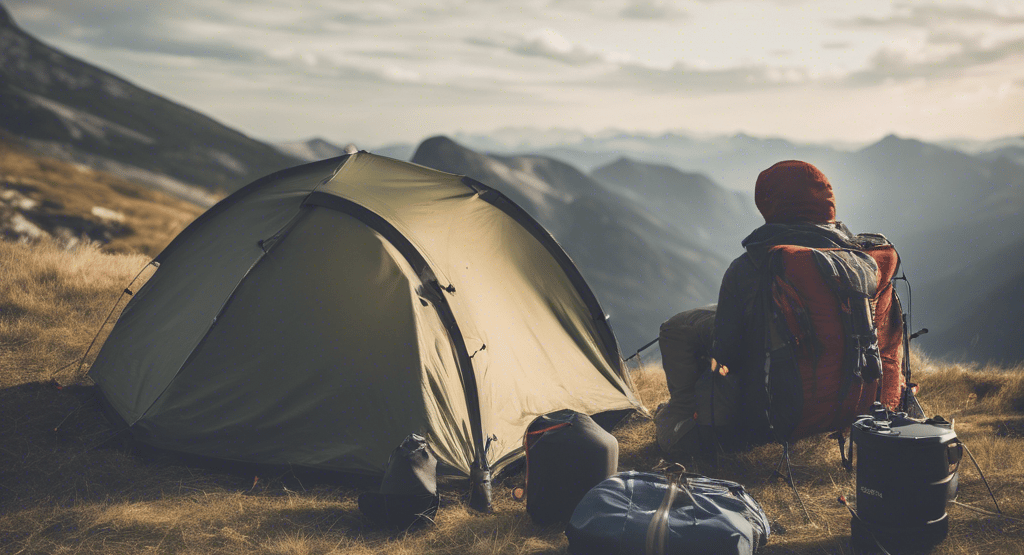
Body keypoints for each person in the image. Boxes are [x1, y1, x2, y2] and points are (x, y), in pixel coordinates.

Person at [655, 160, 874, 455]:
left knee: (676, 329)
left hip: (768, 417)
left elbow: (726, 357)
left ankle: (679, 413)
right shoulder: (862, 261)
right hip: (848, 404)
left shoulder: (750, 267)